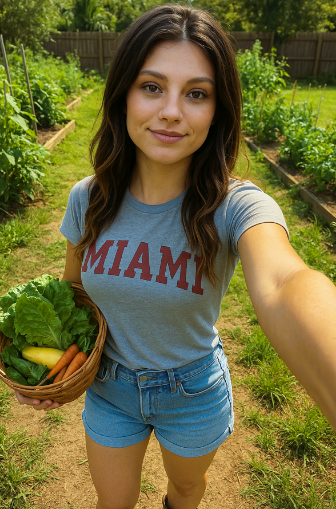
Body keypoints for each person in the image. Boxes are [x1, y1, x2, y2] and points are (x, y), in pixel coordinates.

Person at [15, 4, 336, 509]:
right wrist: (53, 370)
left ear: (218, 109)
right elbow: (73, 295)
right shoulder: (89, 197)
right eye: (151, 87)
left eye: (196, 94)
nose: (171, 111)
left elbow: (283, 283)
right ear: (123, 94)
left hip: (192, 393)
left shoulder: (237, 205)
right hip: (110, 386)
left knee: (185, 491)